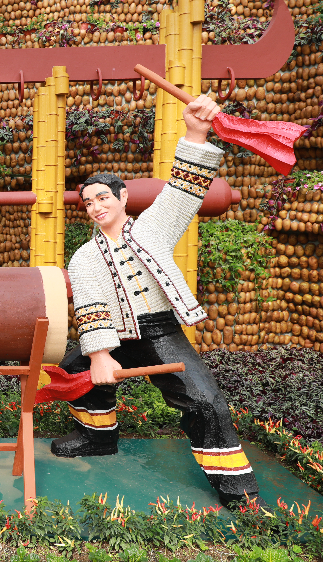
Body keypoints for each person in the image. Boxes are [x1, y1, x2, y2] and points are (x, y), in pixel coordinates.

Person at [53, 95, 263, 509]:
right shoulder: (84, 257)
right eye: (88, 202)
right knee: (74, 372)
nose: (96, 207)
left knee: (205, 401)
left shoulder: (154, 227)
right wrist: (100, 355)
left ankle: (237, 488)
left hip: (159, 332)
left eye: (102, 197)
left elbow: (183, 190)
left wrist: (195, 133)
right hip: (113, 336)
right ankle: (97, 438)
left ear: (122, 196)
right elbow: (91, 308)